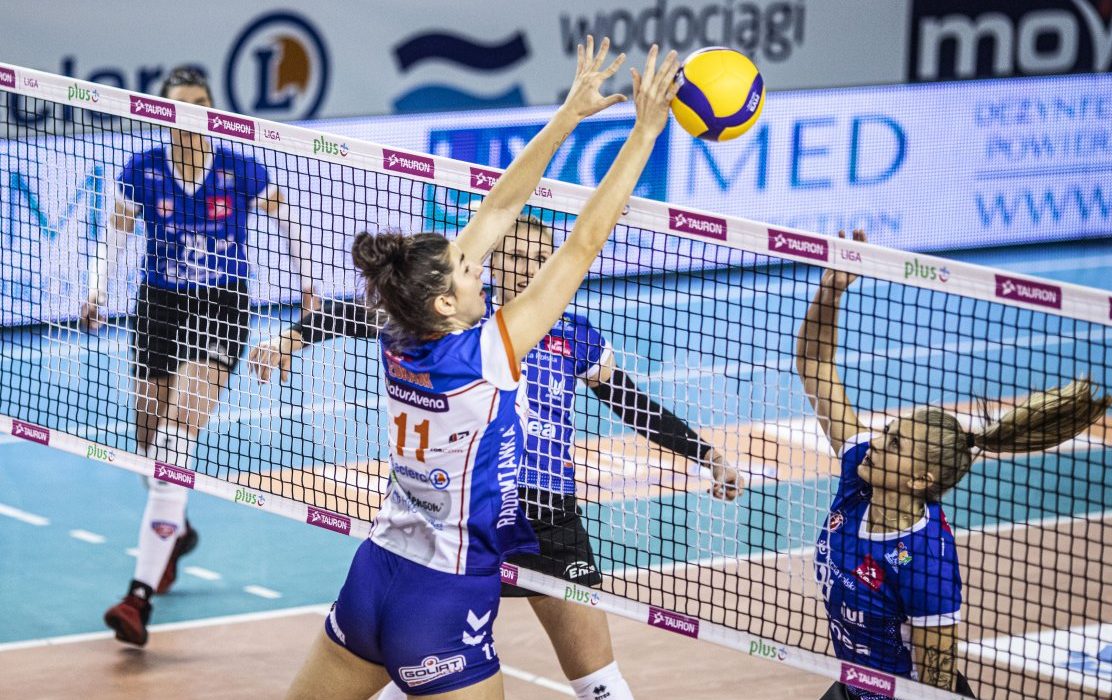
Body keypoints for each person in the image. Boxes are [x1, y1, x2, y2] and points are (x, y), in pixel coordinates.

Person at [284, 41, 682, 700]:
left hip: (373, 574)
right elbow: (583, 242)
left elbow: (497, 208)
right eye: (469, 270)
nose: (480, 268)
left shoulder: (398, 330)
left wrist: (568, 115)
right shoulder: (486, 352)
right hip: (442, 601)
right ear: (445, 302)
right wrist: (643, 132)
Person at [252, 213, 743, 700]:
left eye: (540, 257)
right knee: (418, 659)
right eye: (516, 255)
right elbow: (357, 315)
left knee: (599, 682)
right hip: (469, 518)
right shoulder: (450, 326)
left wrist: (706, 454)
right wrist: (291, 337)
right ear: (490, 263)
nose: (530, 267)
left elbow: (633, 405)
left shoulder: (575, 335)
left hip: (548, 517)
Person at [798, 229, 1112, 699]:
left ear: (919, 479)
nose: (877, 443)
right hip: (857, 687)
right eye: (888, 433)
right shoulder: (859, 471)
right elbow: (815, 363)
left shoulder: (925, 563)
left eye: (894, 444)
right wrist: (832, 291)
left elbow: (937, 684)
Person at [80, 65, 315, 646]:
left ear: (213, 108)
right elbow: (115, 232)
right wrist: (97, 290)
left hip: (222, 305)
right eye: (179, 105)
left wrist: (307, 284)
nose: (190, 115)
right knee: (147, 436)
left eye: (199, 103)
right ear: (163, 112)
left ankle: (138, 596)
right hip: (158, 303)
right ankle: (176, 531)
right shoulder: (143, 169)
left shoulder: (240, 168)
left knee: (178, 430)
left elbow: (289, 217)